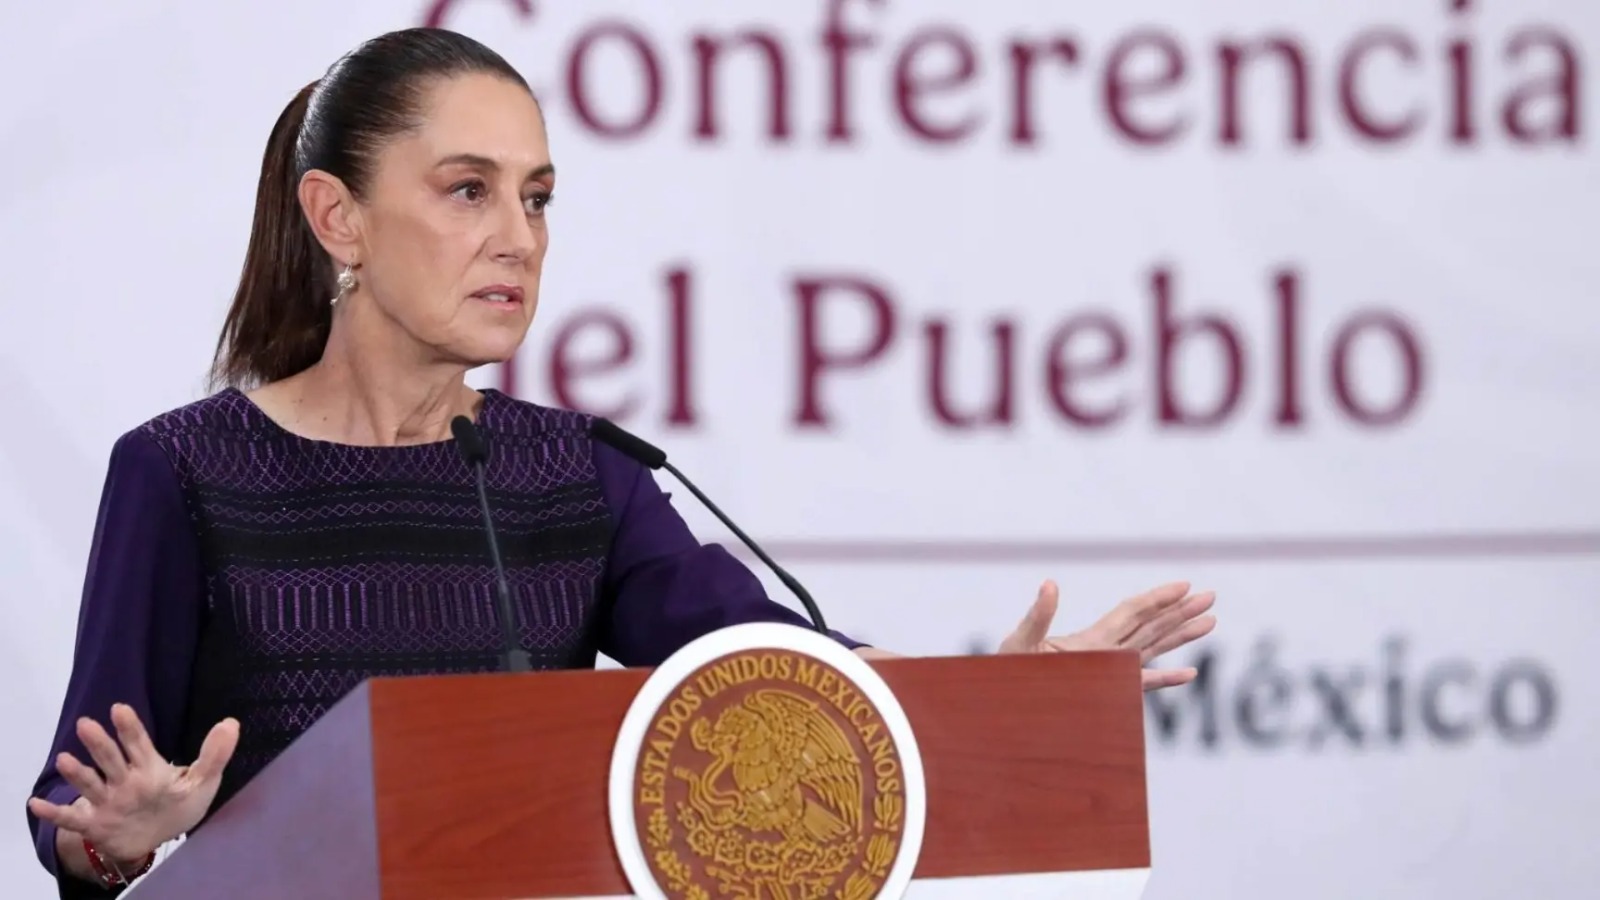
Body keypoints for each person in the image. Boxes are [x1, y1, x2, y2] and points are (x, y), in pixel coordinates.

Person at [22, 27, 1218, 897]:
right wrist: (119, 834)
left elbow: (765, 665)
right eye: (468, 192)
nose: (518, 239)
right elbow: (76, 808)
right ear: (337, 217)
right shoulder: (184, 472)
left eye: (538, 199)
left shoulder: (574, 472)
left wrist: (992, 698)